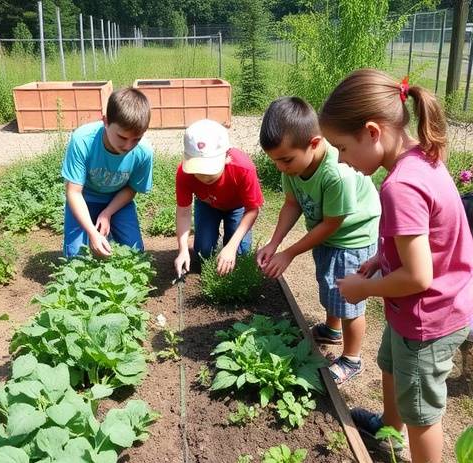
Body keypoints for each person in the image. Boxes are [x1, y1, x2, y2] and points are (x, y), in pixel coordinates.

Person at [319, 69, 473, 463]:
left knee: (422, 408)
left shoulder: (399, 186)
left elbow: (420, 276)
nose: (341, 160)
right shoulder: (420, 158)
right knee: (389, 366)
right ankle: (390, 431)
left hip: (429, 318)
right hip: (423, 309)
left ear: (372, 132)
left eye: (343, 148)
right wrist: (379, 263)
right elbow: (421, 245)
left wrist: (364, 288)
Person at [257, 97, 381, 386]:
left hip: (353, 236)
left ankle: (352, 358)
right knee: (329, 281)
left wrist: (289, 253)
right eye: (274, 160)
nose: (279, 167)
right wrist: (274, 244)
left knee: (349, 298)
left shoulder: (336, 172)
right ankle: (331, 330)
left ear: (314, 143)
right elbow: (291, 204)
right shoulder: (293, 167)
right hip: (327, 231)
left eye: (285, 159)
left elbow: (333, 223)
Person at [62, 86, 153, 258]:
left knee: (135, 254)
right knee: (75, 258)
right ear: (105, 121)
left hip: (117, 201)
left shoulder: (144, 152)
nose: (128, 146)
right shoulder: (82, 140)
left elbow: (131, 188)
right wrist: (92, 232)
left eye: (136, 139)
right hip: (84, 199)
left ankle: (106, 230)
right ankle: (95, 234)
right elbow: (73, 192)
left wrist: (107, 213)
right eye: (122, 137)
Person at [174, 119, 263, 277]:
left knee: (241, 253)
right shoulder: (184, 173)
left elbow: (252, 209)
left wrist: (231, 246)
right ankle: (213, 244)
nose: (204, 177)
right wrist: (182, 250)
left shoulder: (243, 167)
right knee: (203, 253)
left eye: (210, 170)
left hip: (238, 207)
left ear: (226, 156)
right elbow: (183, 212)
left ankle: (230, 242)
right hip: (207, 205)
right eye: (198, 170)